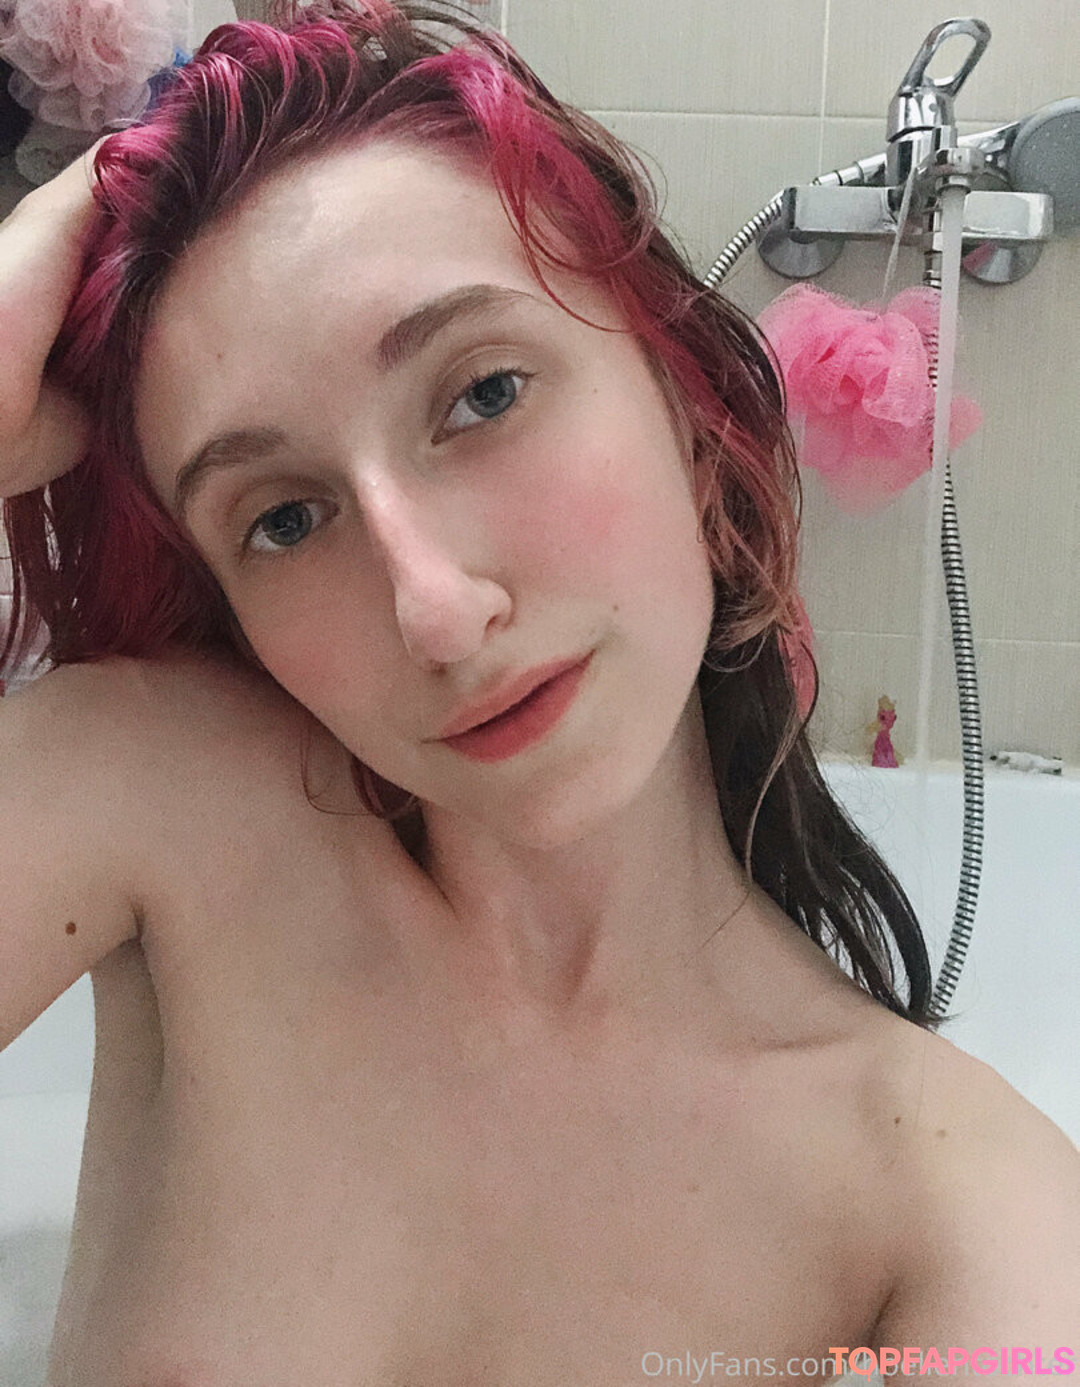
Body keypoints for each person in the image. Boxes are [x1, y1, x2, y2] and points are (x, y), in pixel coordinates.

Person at [0, 2, 1075, 1382]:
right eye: (284, 519)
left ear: (693, 414)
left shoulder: (959, 1213)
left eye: (486, 394)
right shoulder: (163, 803)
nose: (435, 611)